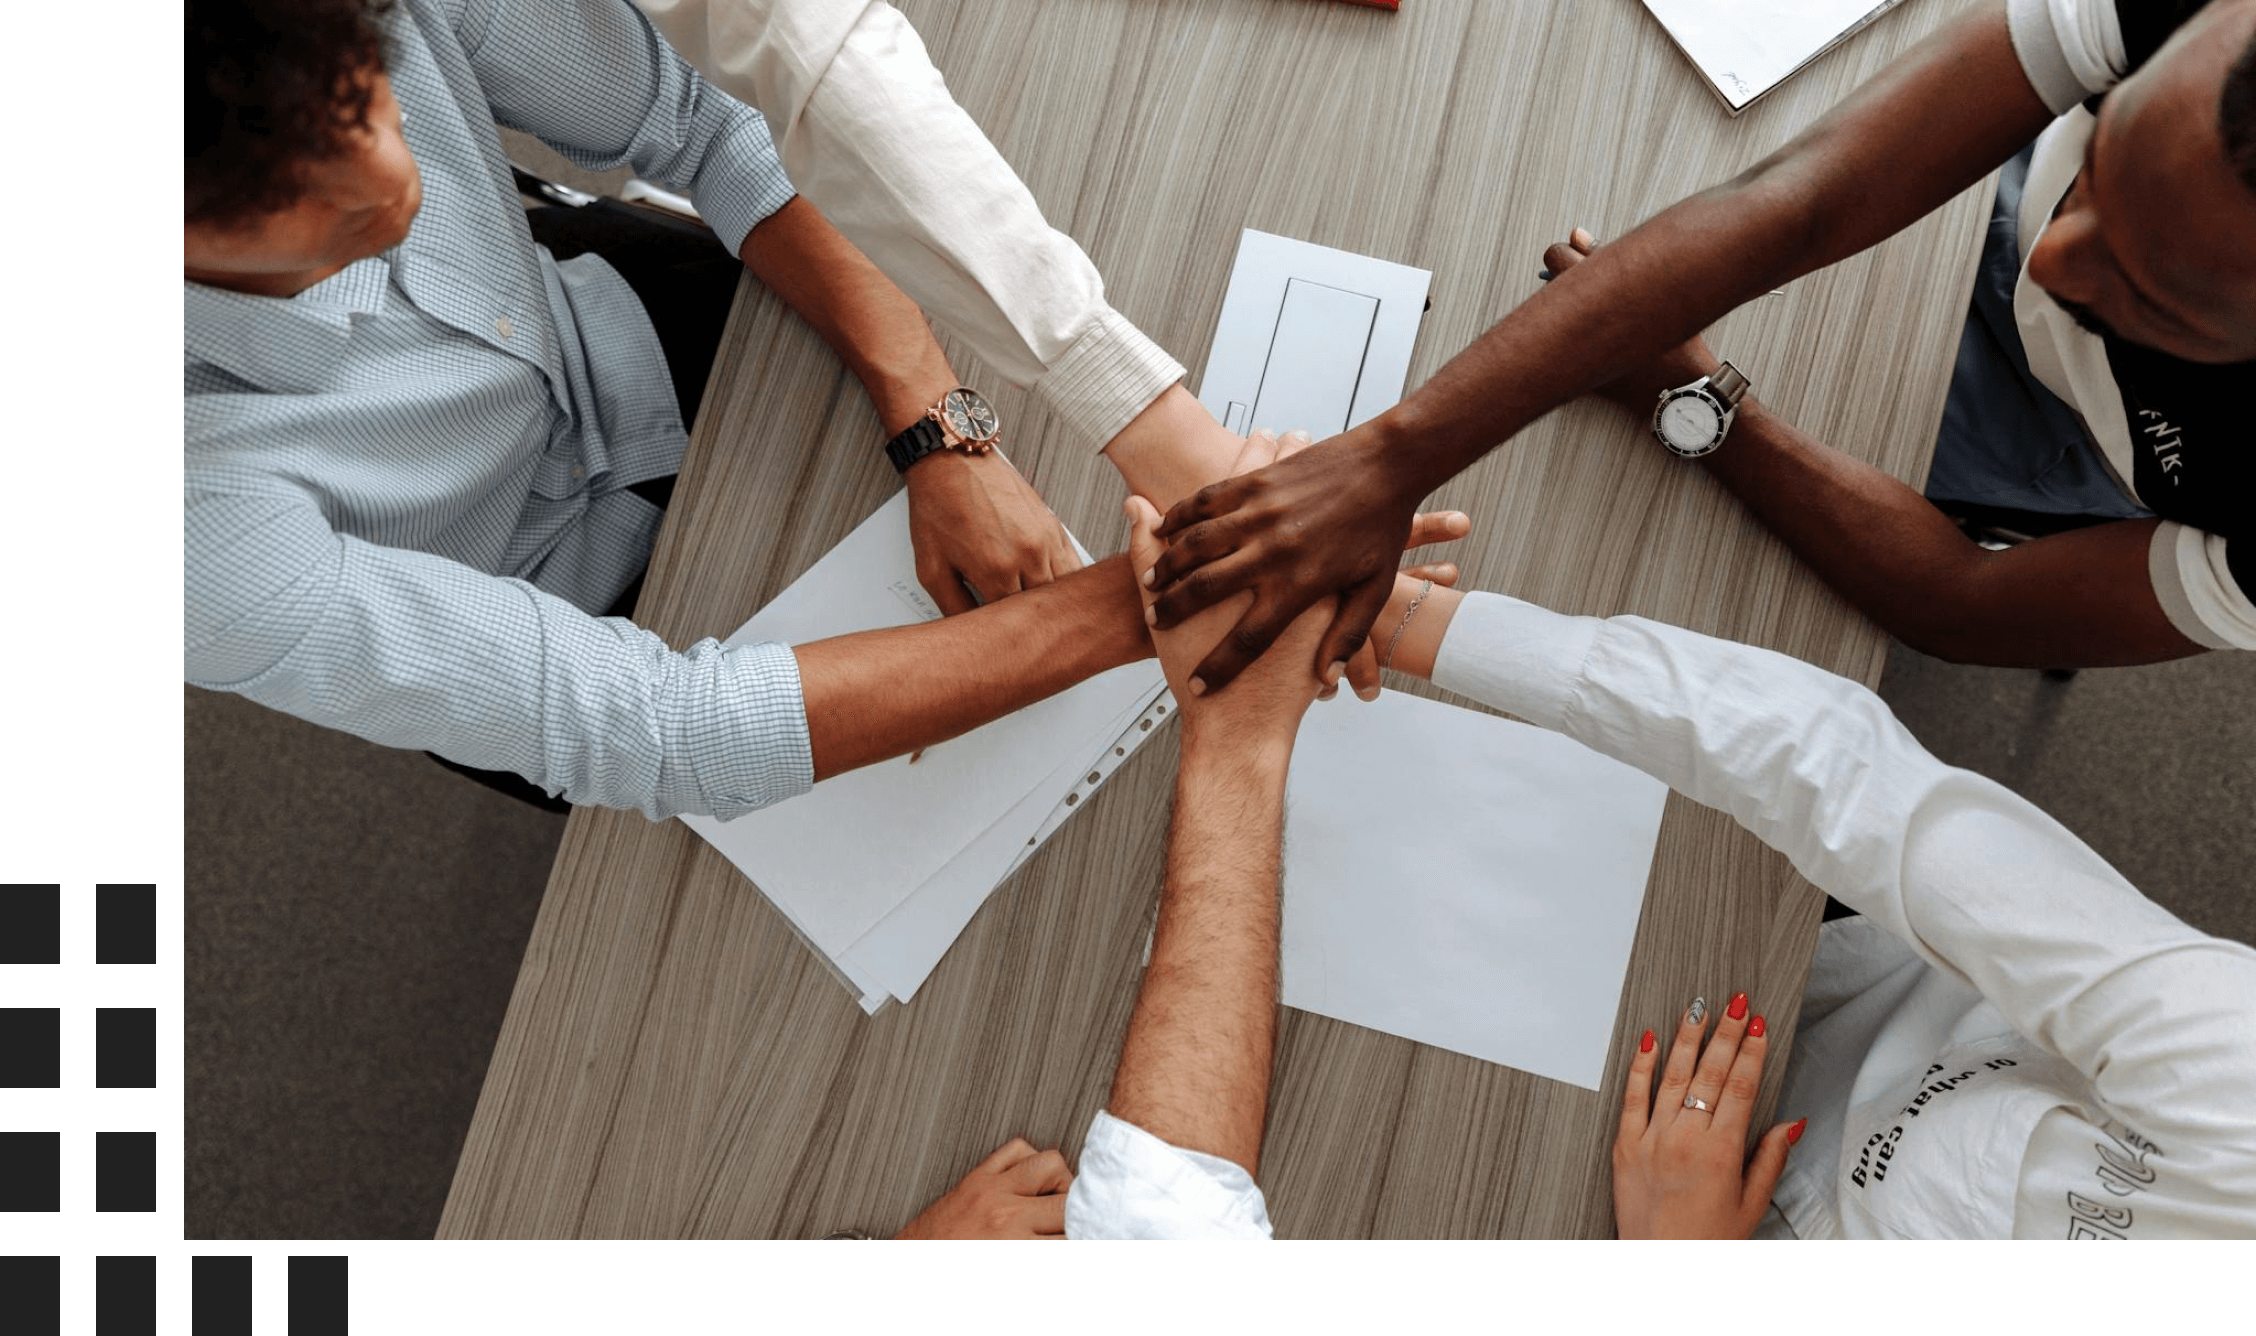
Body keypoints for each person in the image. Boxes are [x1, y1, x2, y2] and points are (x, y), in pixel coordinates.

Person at [188, 0, 1432, 820]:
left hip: (619, 321)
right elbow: (655, 730)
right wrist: (1192, 580)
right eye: (344, 225)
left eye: (388, 104)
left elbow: (704, 118)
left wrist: (934, 413)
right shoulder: (203, 538)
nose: (406, 183)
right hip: (561, 620)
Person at [1140, 0, 2256, 685]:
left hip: (2058, 425)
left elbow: (1962, 601)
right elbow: (1803, 200)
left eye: (2156, 294)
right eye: (2103, 160)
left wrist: (1705, 402)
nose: (2052, 263)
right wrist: (1391, 460)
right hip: (1962, 207)